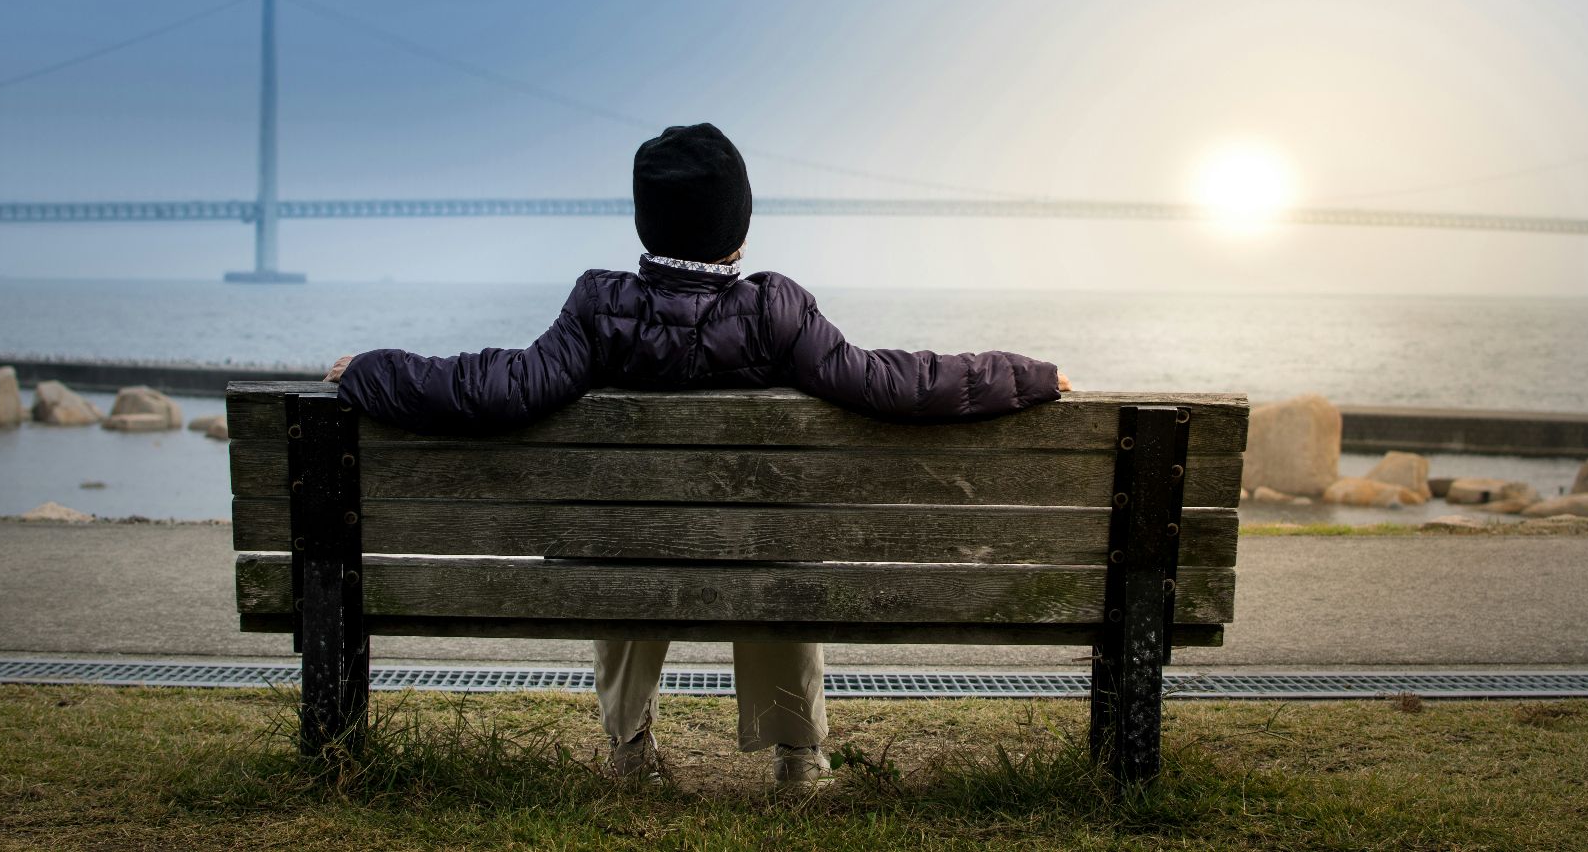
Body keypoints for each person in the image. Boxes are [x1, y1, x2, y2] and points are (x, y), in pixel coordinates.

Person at [324, 123, 1068, 786]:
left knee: (619, 543)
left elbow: (494, 388)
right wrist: (1027, 375)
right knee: (775, 552)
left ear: (646, 223)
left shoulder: (600, 306)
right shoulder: (776, 309)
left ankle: (628, 750)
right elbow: (891, 383)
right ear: (738, 227)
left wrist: (371, 370)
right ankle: (799, 757)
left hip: (633, 554)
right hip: (755, 557)